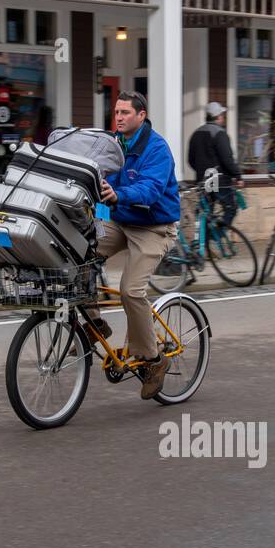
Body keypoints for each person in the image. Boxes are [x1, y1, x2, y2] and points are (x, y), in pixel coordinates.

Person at [86, 91, 180, 400]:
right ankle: (94, 321)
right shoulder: (111, 144)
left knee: (131, 290)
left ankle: (153, 361)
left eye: (126, 112)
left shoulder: (157, 148)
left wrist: (118, 195)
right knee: (75, 254)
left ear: (141, 115)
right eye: (116, 112)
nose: (119, 117)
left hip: (154, 226)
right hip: (120, 220)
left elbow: (151, 189)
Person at [188, 102, 242, 227]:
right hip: (220, 181)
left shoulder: (196, 134)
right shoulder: (219, 133)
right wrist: (237, 175)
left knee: (206, 213)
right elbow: (227, 159)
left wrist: (201, 171)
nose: (223, 117)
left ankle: (204, 242)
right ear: (217, 116)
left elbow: (190, 159)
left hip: (202, 181)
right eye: (222, 115)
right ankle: (216, 236)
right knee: (230, 208)